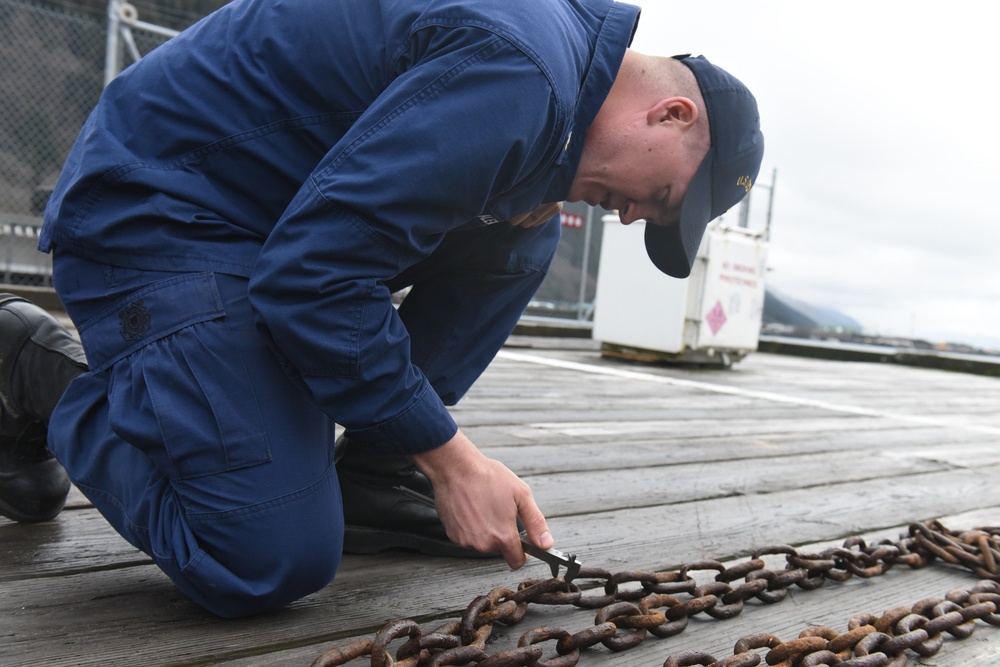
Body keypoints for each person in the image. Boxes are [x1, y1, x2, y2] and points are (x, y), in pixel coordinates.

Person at [0, 0, 763, 617]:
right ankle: (36, 369)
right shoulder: (523, 76)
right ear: (671, 115)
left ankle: (372, 467)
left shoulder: (553, 68)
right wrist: (451, 458)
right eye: (661, 198)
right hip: (157, 210)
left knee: (521, 232)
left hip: (262, 217)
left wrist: (527, 187)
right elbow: (310, 280)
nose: (632, 219)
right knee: (266, 558)